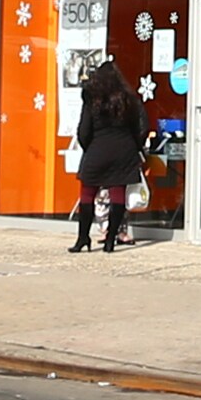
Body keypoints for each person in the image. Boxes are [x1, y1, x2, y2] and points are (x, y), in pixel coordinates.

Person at [69, 60, 148, 254]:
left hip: (98, 149)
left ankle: (83, 238)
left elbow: (84, 130)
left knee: (87, 194)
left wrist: (90, 148)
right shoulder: (129, 99)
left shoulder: (92, 98)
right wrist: (136, 146)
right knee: (118, 195)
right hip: (124, 150)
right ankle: (111, 239)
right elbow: (142, 127)